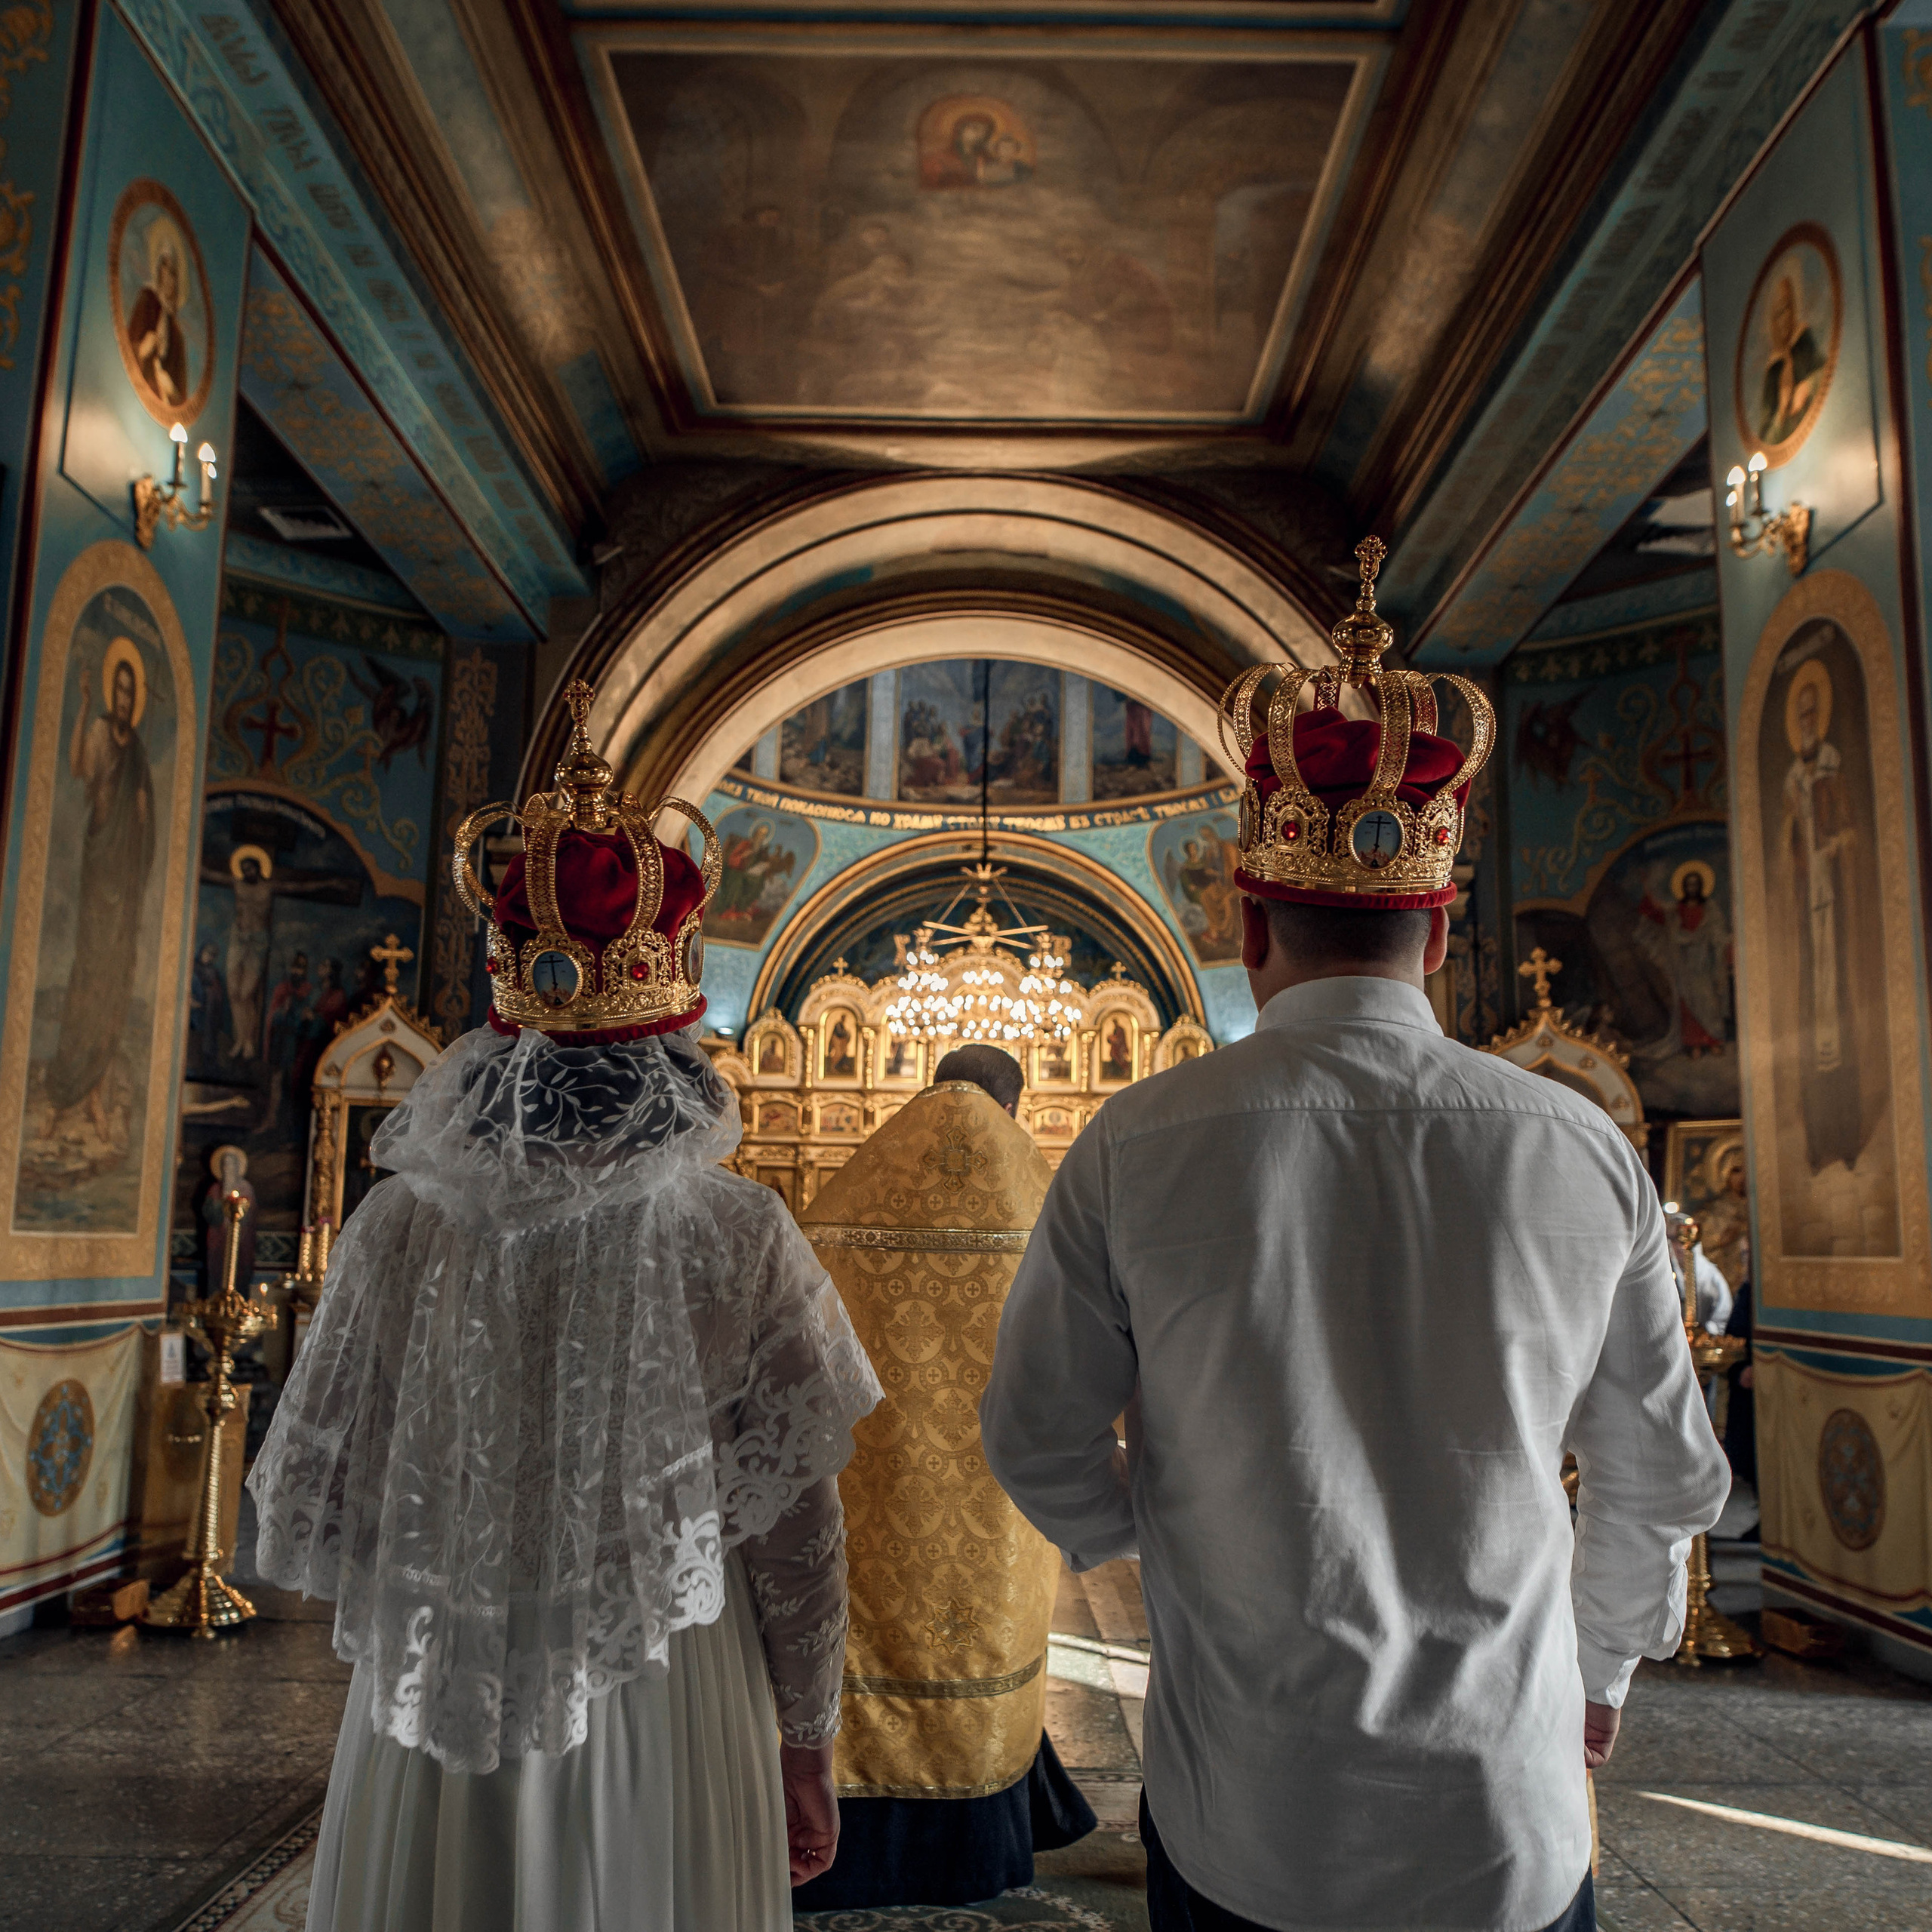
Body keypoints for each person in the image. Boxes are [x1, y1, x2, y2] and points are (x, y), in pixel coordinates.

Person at [980, 543, 1731, 1932]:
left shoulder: (1135, 1145)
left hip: (1248, 1818)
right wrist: (1600, 1673)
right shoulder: (1580, 1150)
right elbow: (1664, 1476)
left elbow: (1034, 1437)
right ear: (1441, 934)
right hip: (1507, 1812)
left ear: (1246, 922)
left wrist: (1175, 1536)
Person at [250, 685, 882, 1930]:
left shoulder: (399, 1223)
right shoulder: (738, 1231)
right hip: (671, 1673)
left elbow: (344, 1489)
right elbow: (797, 1530)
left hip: (443, 1677)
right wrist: (806, 1740)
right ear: (672, 1041)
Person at [792, 1041, 1095, 1911]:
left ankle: (845, 1842)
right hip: (995, 1494)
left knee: (861, 1637)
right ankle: (978, 1841)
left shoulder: (849, 1191)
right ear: (1013, 1100)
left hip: (865, 1482)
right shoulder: (1042, 1197)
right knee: (985, 1640)